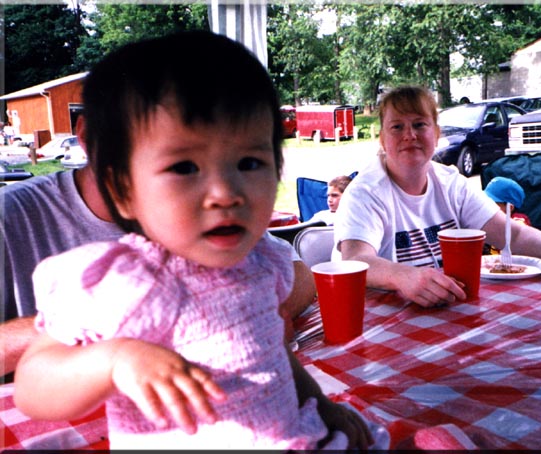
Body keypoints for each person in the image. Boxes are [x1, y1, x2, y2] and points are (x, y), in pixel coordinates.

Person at [14, 32, 376, 450]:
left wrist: (321, 406)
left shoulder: (258, 261)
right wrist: (114, 360)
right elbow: (32, 385)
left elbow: (273, 356)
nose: (225, 192)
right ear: (123, 189)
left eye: (249, 162)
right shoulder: (128, 282)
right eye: (185, 166)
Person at [1, 143, 315, 382]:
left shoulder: (208, 211)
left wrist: (252, 312)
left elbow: (297, 273)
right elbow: (34, 392)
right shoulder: (11, 217)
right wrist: (115, 333)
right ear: (89, 137)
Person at [334, 85, 541, 308]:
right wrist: (402, 276)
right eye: (397, 127)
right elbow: (355, 259)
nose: (409, 135)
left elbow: (511, 232)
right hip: (381, 317)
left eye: (419, 124)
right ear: (383, 140)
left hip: (446, 308)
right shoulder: (365, 193)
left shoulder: (451, 183)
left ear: (436, 133)